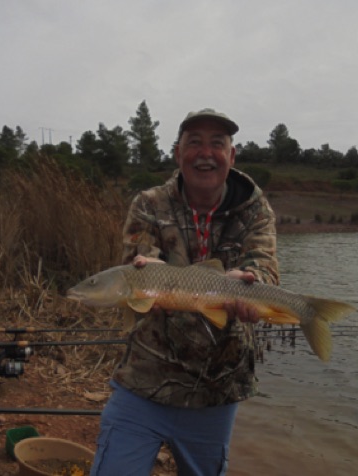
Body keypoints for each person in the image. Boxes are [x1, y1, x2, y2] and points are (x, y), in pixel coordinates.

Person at [90, 108, 279, 476]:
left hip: (217, 387)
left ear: (232, 155)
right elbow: (138, 259)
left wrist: (251, 280)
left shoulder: (255, 209)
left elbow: (265, 267)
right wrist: (150, 267)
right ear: (178, 153)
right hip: (145, 379)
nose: (205, 153)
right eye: (194, 143)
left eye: (217, 144)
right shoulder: (148, 203)